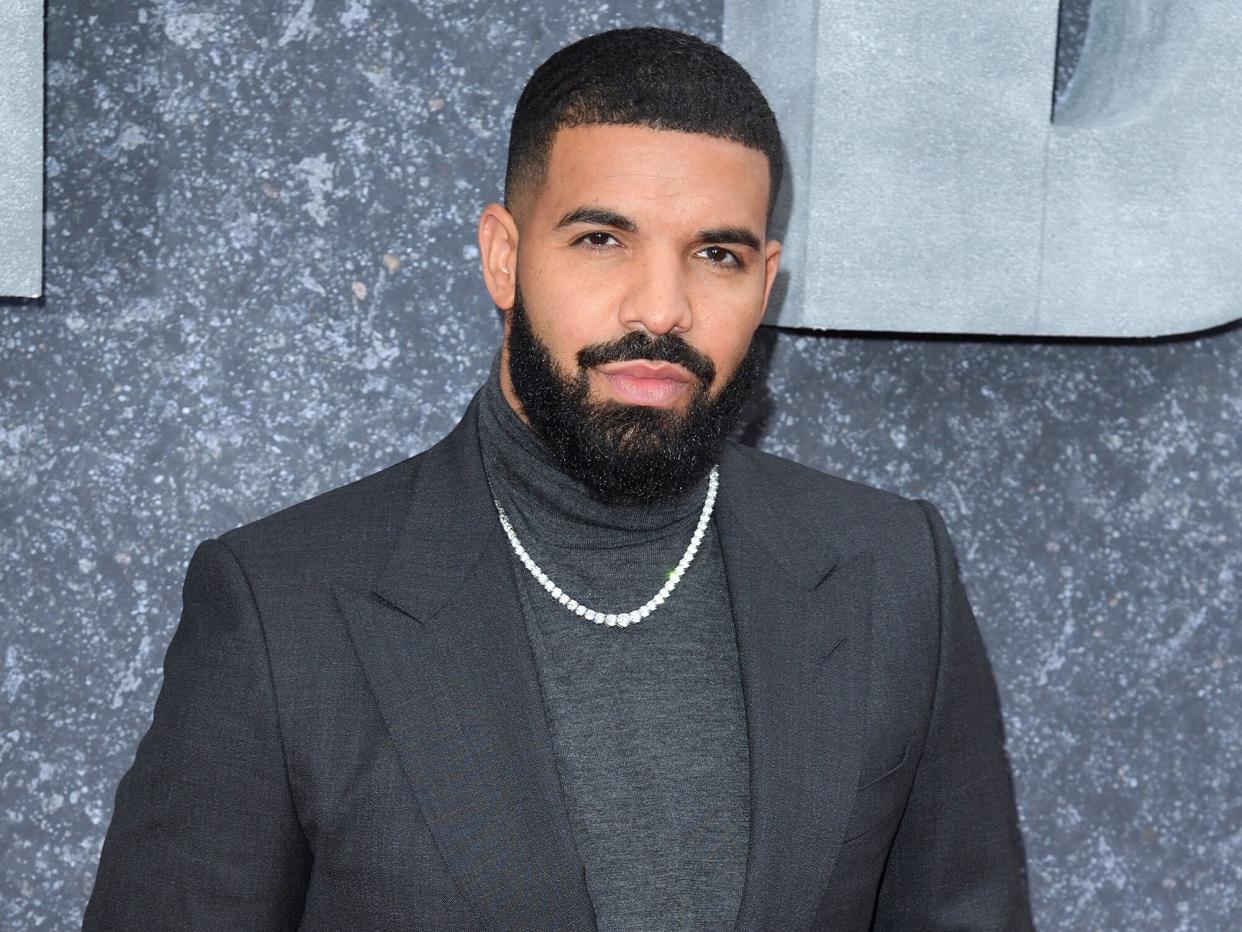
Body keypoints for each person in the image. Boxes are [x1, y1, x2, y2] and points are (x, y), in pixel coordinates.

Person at [84, 26, 1036, 932]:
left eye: (718, 254)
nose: (662, 308)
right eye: (600, 239)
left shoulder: (893, 572)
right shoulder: (282, 607)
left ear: (767, 280)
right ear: (503, 255)